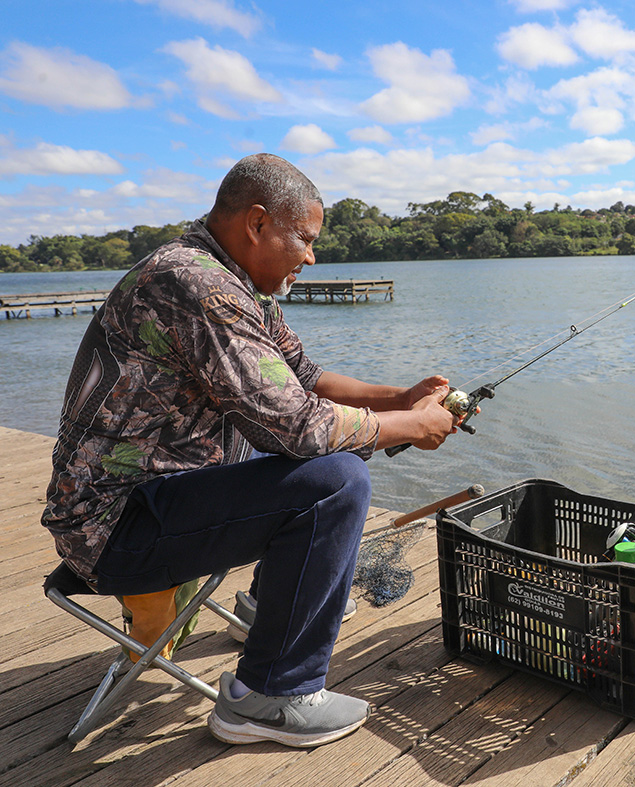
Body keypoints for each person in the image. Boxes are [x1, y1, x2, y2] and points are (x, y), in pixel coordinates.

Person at [42, 153, 459, 748]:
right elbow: (299, 426)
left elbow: (304, 377)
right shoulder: (198, 286)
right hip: (112, 530)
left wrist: (403, 398)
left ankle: (269, 607)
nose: (312, 258)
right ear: (258, 224)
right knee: (337, 478)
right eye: (306, 240)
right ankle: (270, 696)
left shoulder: (234, 280)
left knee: (322, 458)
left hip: (159, 501)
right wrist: (411, 426)